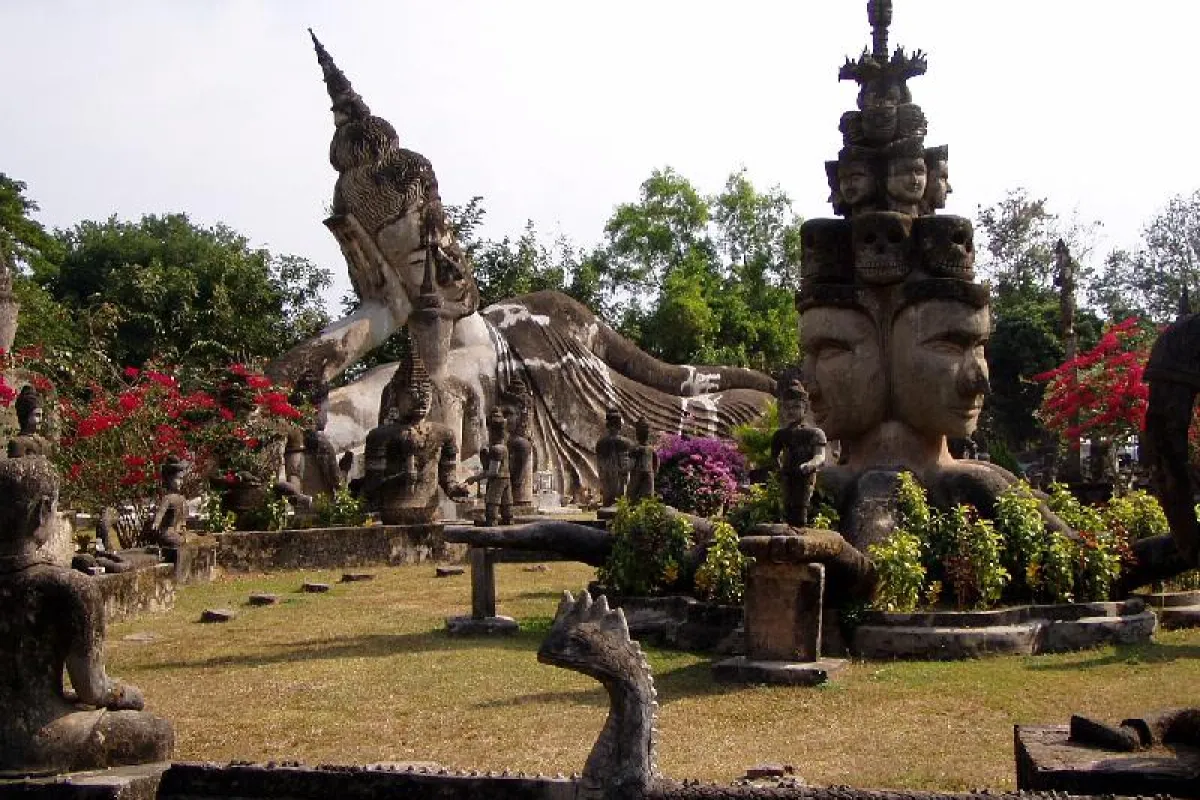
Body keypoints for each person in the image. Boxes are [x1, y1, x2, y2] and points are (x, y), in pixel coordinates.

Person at [0, 457, 173, 774]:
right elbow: (92, 688)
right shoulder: (68, 587)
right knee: (156, 732)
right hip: (40, 739)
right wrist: (127, 694)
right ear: (42, 511)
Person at [771, 382, 828, 527]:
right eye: (787, 408)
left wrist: (810, 465)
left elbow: (820, 456)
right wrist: (778, 470)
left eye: (796, 407)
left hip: (804, 477)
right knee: (786, 509)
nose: (791, 412)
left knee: (801, 510)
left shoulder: (814, 433)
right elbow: (774, 456)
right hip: (787, 477)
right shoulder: (780, 435)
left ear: (805, 408)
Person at [595, 407, 633, 506]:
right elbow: (628, 465)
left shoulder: (600, 443)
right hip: (619, 477)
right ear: (619, 424)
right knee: (618, 500)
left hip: (607, 478)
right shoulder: (626, 443)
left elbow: (600, 467)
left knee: (609, 500)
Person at [8, 385, 51, 458]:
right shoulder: (18, 443)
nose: (41, 420)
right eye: (37, 415)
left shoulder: (45, 443)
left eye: (41, 415)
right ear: (26, 416)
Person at [625, 418, 658, 503]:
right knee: (632, 495)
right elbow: (629, 462)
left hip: (647, 474)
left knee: (647, 496)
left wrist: (653, 472)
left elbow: (656, 461)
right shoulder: (635, 448)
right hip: (637, 474)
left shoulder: (650, 449)